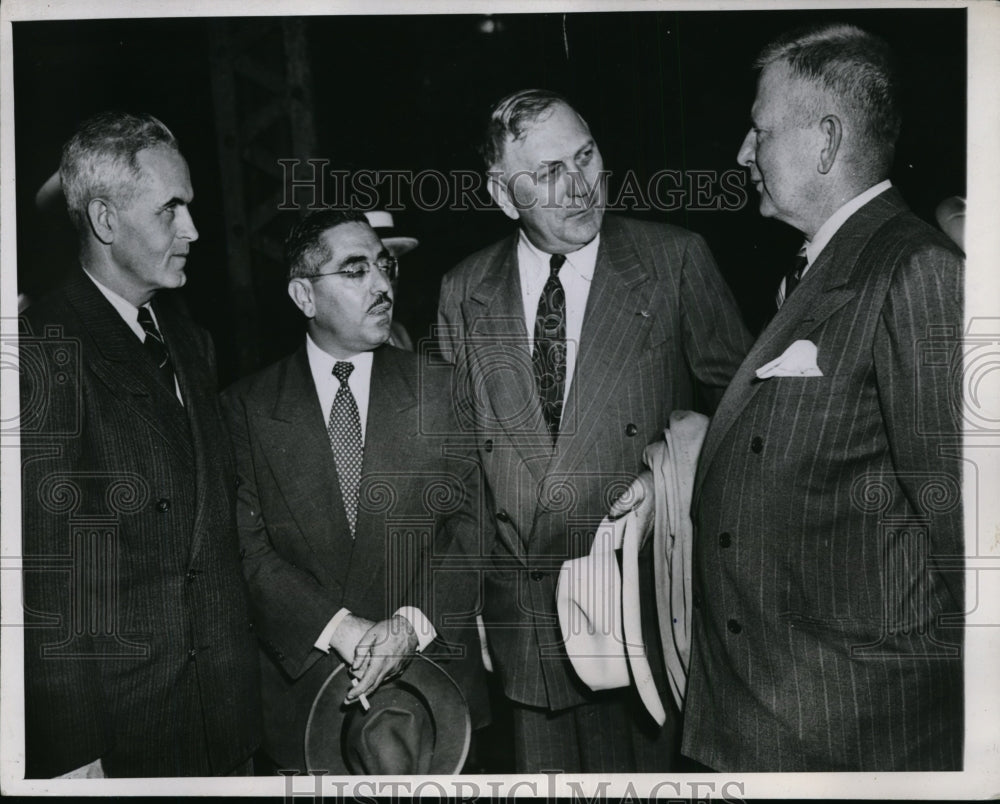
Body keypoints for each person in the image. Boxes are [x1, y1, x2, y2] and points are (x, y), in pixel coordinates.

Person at [437, 89, 753, 773]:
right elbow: (456, 468)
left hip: (647, 614)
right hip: (527, 632)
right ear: (501, 192)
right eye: (549, 172)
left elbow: (749, 419)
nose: (579, 186)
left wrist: (668, 473)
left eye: (586, 156)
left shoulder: (674, 261)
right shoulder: (463, 291)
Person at [678, 24, 964, 770]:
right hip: (775, 714)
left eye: (760, 130)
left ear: (827, 142)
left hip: (852, 729)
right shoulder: (816, 267)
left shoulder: (916, 272)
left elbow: (967, 541)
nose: (743, 152)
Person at [19, 111, 261, 777]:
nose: (193, 230)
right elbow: (47, 577)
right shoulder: (41, 351)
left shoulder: (191, 341)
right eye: (171, 210)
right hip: (130, 738)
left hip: (225, 721)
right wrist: (74, 754)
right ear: (104, 219)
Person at [222, 210, 488, 773]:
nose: (383, 285)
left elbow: (475, 527)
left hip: (432, 700)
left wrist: (409, 627)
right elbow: (245, 550)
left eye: (384, 267)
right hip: (308, 703)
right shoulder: (245, 408)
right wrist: (344, 630)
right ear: (304, 295)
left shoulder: (442, 388)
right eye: (355, 270)